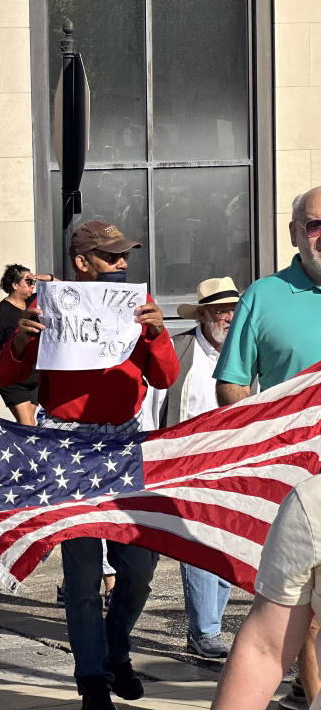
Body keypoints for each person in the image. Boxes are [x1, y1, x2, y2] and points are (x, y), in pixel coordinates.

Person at [0, 220, 179, 710]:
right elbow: (8, 374)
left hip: (123, 444)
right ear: (82, 262)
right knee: (82, 574)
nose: (121, 263)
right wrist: (19, 341)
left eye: (124, 255)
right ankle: (91, 675)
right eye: (110, 256)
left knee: (138, 568)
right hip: (68, 447)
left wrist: (158, 333)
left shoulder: (138, 304)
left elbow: (165, 377)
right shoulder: (49, 306)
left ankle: (116, 650)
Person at [211, 188, 321, 710]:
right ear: (296, 233)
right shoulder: (263, 296)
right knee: (299, 611)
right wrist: (265, 433)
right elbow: (232, 384)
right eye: (316, 225)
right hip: (297, 483)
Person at [143, 277, 241, 660]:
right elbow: (154, 405)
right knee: (198, 543)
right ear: (202, 314)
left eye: (233, 309)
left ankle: (206, 625)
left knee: (228, 546)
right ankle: (206, 631)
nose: (228, 317)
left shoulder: (242, 351)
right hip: (185, 465)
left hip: (232, 464)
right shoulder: (178, 349)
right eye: (220, 311)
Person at [0, 264, 53, 425]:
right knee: (29, 426)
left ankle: (12, 439)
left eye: (33, 281)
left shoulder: (34, 301)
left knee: (27, 426)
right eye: (28, 281)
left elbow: (65, 289)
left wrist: (47, 277)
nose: (32, 285)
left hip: (34, 375)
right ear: (15, 285)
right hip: (11, 377)